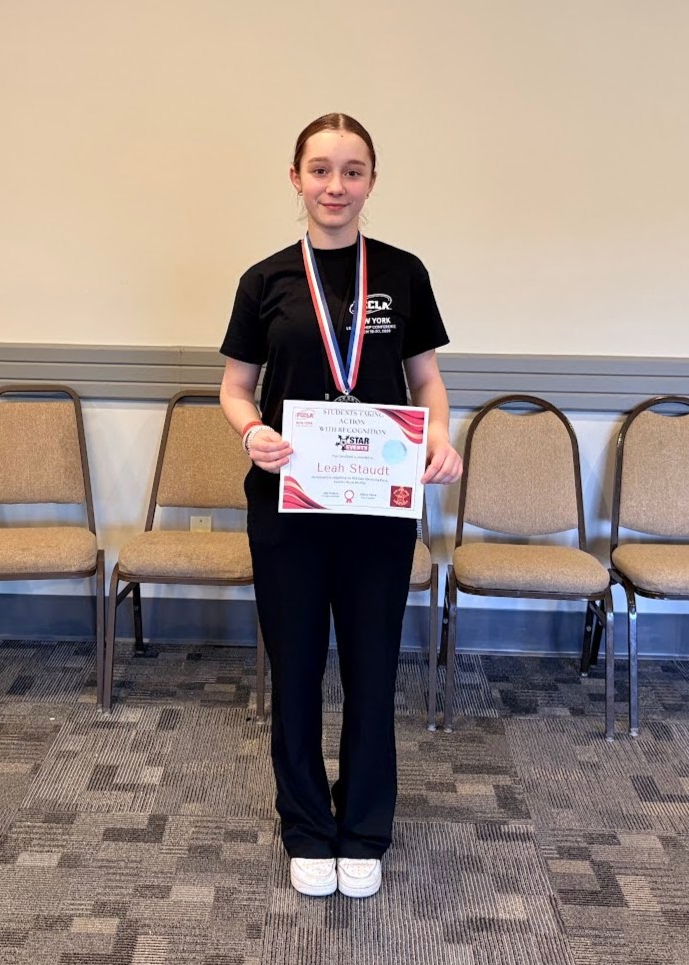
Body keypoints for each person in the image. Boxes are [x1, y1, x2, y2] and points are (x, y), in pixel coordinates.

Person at [219, 113, 462, 899]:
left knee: (369, 668)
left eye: (352, 170)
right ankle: (306, 826)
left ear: (371, 181)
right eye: (320, 169)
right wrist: (251, 430)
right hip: (287, 507)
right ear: (296, 178)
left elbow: (425, 381)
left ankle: (362, 827)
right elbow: (235, 387)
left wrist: (442, 439)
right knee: (294, 670)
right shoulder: (264, 280)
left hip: (377, 508)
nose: (335, 185)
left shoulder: (403, 271)